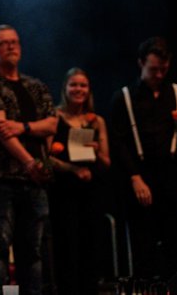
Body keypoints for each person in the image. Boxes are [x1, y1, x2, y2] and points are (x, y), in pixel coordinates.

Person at [109, 36, 177, 280]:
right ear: (141, 63)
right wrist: (135, 177)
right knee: (144, 243)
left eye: (164, 69)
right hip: (141, 174)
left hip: (173, 174)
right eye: (154, 69)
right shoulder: (124, 97)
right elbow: (118, 142)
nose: (159, 74)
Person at [0, 24, 57, 295]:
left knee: (32, 250)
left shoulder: (36, 86)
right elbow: (1, 130)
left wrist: (24, 127)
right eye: (3, 43)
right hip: (0, 178)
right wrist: (31, 162)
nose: (10, 46)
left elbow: (52, 125)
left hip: (34, 180)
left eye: (14, 42)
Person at [46, 67, 110, 295]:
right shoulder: (54, 117)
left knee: (91, 246)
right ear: (65, 88)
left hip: (90, 191)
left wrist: (96, 150)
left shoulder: (96, 121)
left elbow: (107, 161)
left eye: (83, 85)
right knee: (67, 247)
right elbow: (45, 156)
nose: (78, 89)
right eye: (73, 84)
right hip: (63, 191)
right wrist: (72, 169)